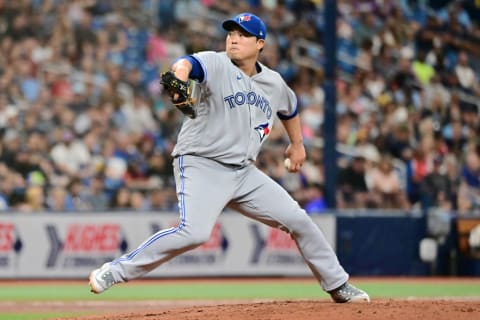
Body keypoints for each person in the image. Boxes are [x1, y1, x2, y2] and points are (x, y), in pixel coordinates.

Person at [88, 12, 370, 303]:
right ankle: (115, 270)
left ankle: (338, 285)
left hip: (244, 173)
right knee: (194, 233)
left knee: (299, 220)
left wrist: (297, 144)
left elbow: (290, 107)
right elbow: (186, 64)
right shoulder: (216, 62)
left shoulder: (273, 82)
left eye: (243, 34)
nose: (234, 38)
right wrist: (180, 78)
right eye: (231, 32)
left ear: (260, 43)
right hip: (201, 163)